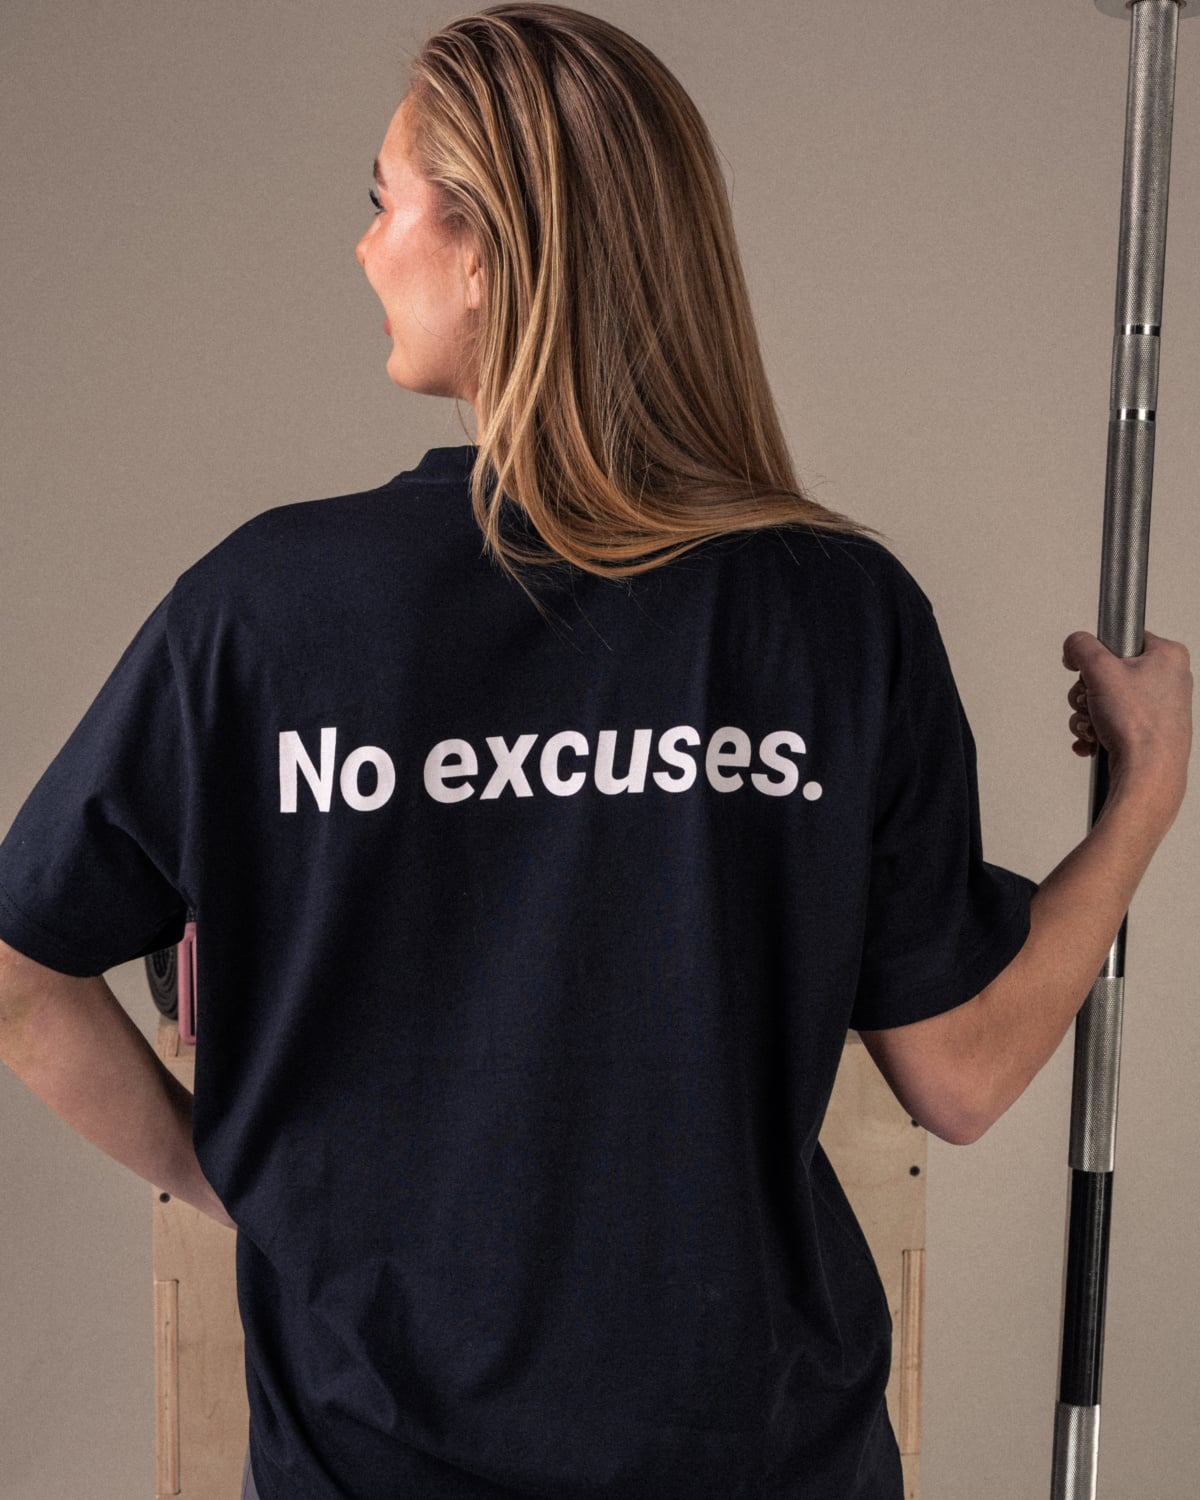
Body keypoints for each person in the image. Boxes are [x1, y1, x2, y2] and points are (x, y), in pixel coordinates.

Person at [0, 5, 1191, 1499]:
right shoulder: (835, 610)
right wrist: (1145, 800)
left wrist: (219, 1170)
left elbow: (22, 972)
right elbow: (963, 1070)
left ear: (487, 247)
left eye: (383, 200)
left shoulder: (261, 611)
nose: (364, 249)